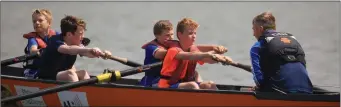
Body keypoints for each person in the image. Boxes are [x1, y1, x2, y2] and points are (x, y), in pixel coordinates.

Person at [140, 20, 228, 87]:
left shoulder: (174, 46)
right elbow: (162, 54)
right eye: (167, 35)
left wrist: (214, 48)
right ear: (157, 36)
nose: (170, 37)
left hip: (174, 79)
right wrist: (181, 52)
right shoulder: (152, 47)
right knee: (192, 83)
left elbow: (194, 48)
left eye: (171, 34)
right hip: (153, 82)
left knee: (196, 74)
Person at [249, 11, 313, 94]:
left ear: (261, 29)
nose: (253, 34)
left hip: (281, 93)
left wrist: (259, 88)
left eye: (254, 29)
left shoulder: (257, 47)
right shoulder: (293, 40)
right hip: (307, 90)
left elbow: (259, 81)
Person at [36, 15, 112, 82]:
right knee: (71, 74)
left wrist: (102, 54)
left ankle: (90, 95)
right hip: (46, 77)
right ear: (69, 34)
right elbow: (69, 49)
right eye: (80, 34)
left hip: (62, 76)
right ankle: (80, 96)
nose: (83, 37)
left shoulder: (77, 44)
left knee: (83, 73)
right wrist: (89, 49)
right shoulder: (55, 41)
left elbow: (87, 53)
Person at [23, 9, 60, 79]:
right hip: (33, 71)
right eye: (34, 21)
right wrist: (45, 50)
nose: (36, 23)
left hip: (50, 69)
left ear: (49, 23)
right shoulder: (33, 39)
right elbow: (33, 50)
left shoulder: (57, 35)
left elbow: (67, 43)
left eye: (40, 20)